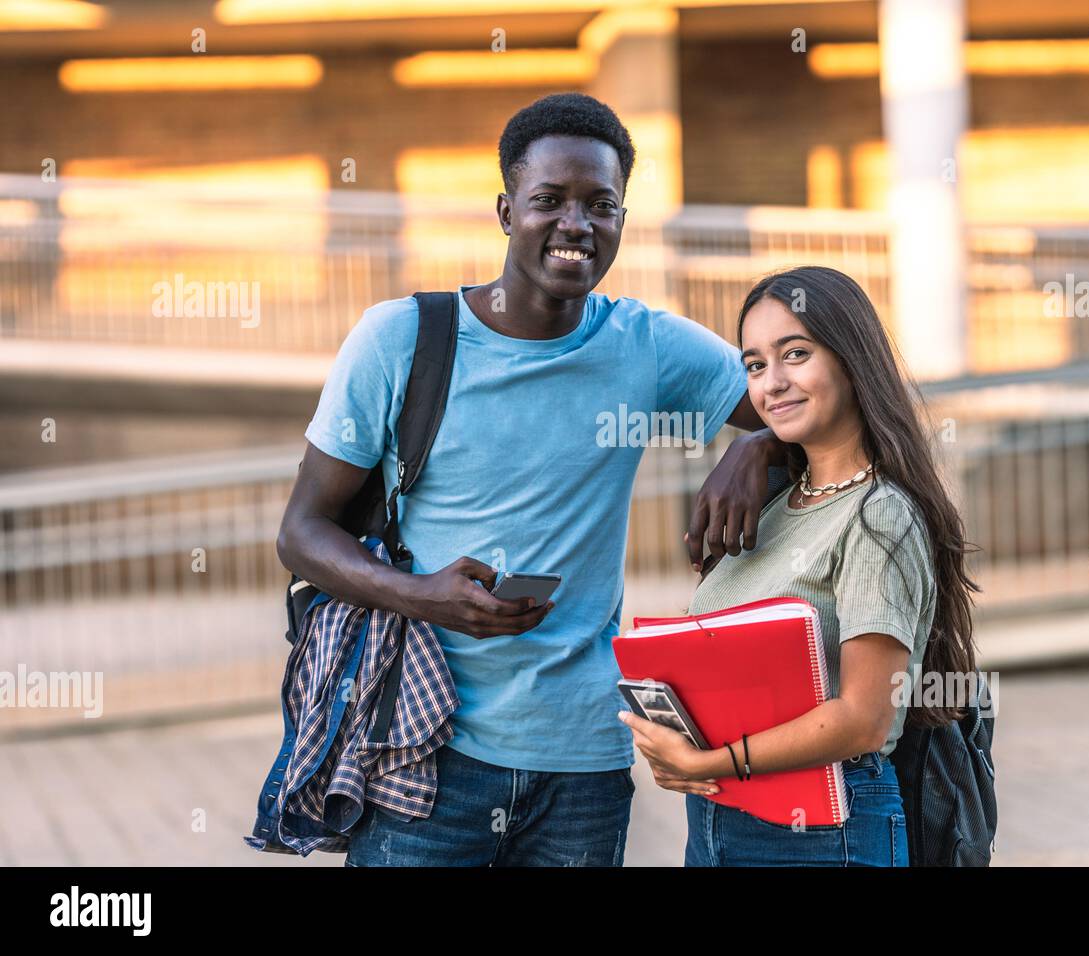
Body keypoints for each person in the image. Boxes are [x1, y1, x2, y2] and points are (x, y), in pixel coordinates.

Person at [278, 92, 783, 866]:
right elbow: (302, 533)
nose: (575, 224)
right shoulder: (402, 339)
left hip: (582, 766)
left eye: (600, 205)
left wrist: (758, 448)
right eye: (549, 201)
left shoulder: (645, 344)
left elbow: (821, 409)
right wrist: (423, 596)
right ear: (507, 210)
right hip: (424, 749)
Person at [620, 265, 980, 867]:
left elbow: (864, 718)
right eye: (756, 365)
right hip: (717, 822)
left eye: (795, 354)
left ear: (851, 359)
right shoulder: (771, 506)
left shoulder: (878, 514)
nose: (773, 384)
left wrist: (712, 762)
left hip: (824, 830)